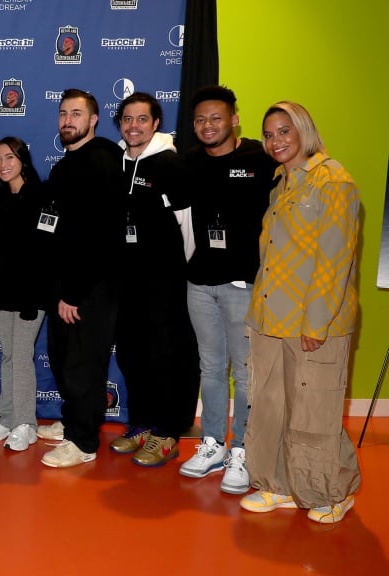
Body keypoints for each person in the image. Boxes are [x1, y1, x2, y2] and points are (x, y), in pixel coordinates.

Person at [239, 101, 361, 524]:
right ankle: (278, 485)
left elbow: (334, 260)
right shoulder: (281, 183)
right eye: (269, 134)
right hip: (271, 319)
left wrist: (317, 323)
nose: (275, 141)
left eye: (284, 131)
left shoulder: (334, 181)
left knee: (314, 412)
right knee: (273, 406)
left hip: (313, 321)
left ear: (304, 130)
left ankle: (334, 491)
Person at [178, 86, 277, 493]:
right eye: (200, 120)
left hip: (244, 285)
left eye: (216, 118)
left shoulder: (260, 158)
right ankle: (213, 443)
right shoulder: (188, 164)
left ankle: (243, 450)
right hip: (200, 283)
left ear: (234, 119)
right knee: (211, 369)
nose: (207, 126)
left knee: (247, 372)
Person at [37, 89, 126, 468]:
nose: (67, 120)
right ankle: (74, 421)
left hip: (89, 287)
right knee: (62, 359)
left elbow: (98, 235)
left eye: (76, 114)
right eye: (62, 114)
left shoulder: (102, 160)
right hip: (65, 284)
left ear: (93, 120)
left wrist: (73, 291)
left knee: (83, 364)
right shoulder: (65, 165)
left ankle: (84, 441)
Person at [110, 92, 198, 467]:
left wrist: (177, 270)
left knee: (165, 356)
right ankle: (142, 425)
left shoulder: (171, 165)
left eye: (141, 119)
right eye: (127, 119)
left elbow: (188, 226)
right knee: (132, 355)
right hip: (126, 281)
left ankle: (167, 433)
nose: (134, 126)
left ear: (156, 123)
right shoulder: (116, 162)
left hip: (164, 281)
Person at [0, 137, 46, 452]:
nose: (3, 164)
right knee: (8, 355)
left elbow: (47, 252)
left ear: (23, 159)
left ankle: (25, 424)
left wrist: (36, 293)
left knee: (21, 356)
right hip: (2, 289)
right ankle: (7, 417)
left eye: (9, 157)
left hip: (31, 291)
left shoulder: (41, 196)